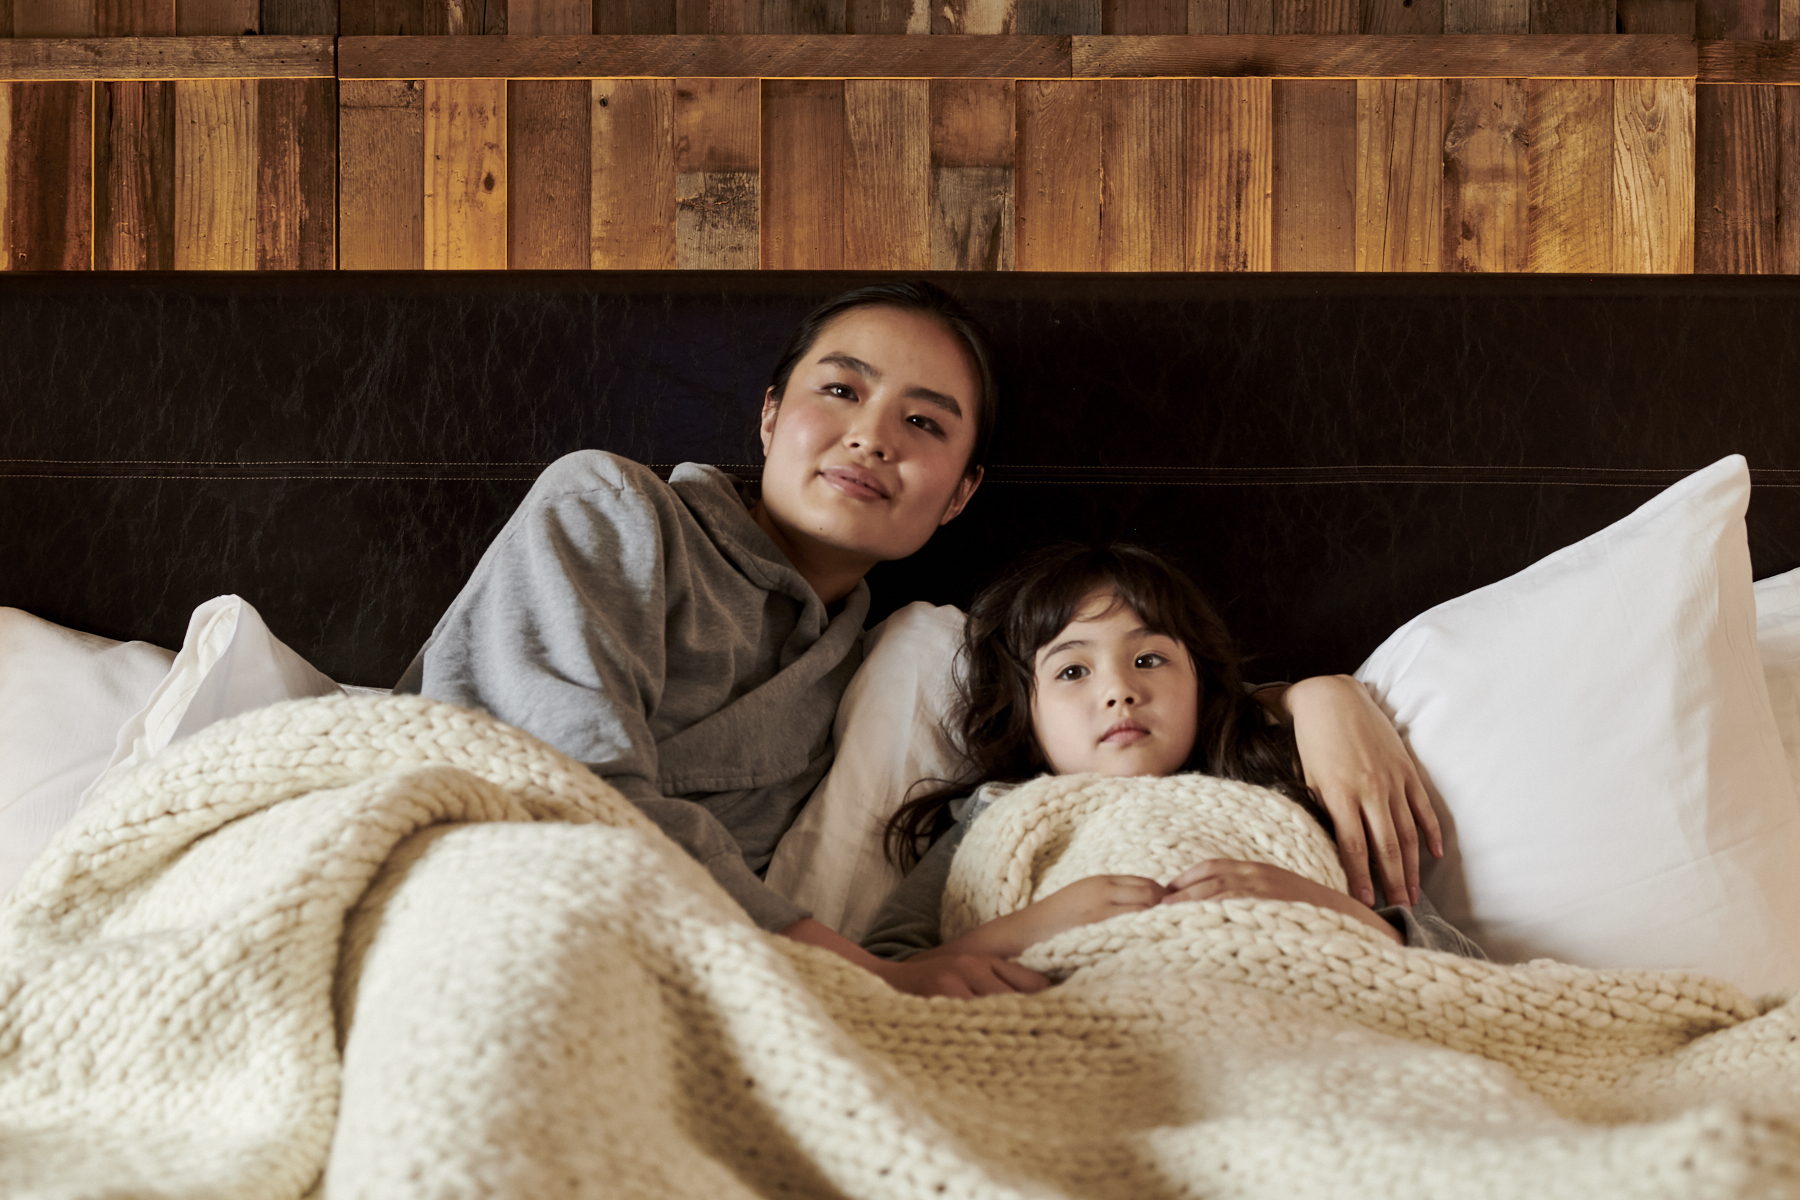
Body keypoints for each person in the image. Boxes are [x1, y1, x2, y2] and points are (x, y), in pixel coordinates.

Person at [397, 280, 1442, 998]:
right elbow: (559, 780)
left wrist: (1317, 697)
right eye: (840, 391)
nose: (873, 436)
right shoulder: (607, 509)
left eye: (926, 424)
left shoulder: (883, 672)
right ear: (769, 417)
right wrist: (862, 974)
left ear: (959, 496)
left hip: (693, 964)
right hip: (492, 883)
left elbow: (1117, 704)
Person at [862, 543, 1485, 975]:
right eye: (1073, 670)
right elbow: (880, 976)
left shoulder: (1286, 799)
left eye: (1149, 659)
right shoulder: (994, 814)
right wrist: (1034, 928)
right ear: (1027, 714)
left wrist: (1325, 911)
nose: (1118, 690)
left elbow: (1462, 967)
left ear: (1202, 685)